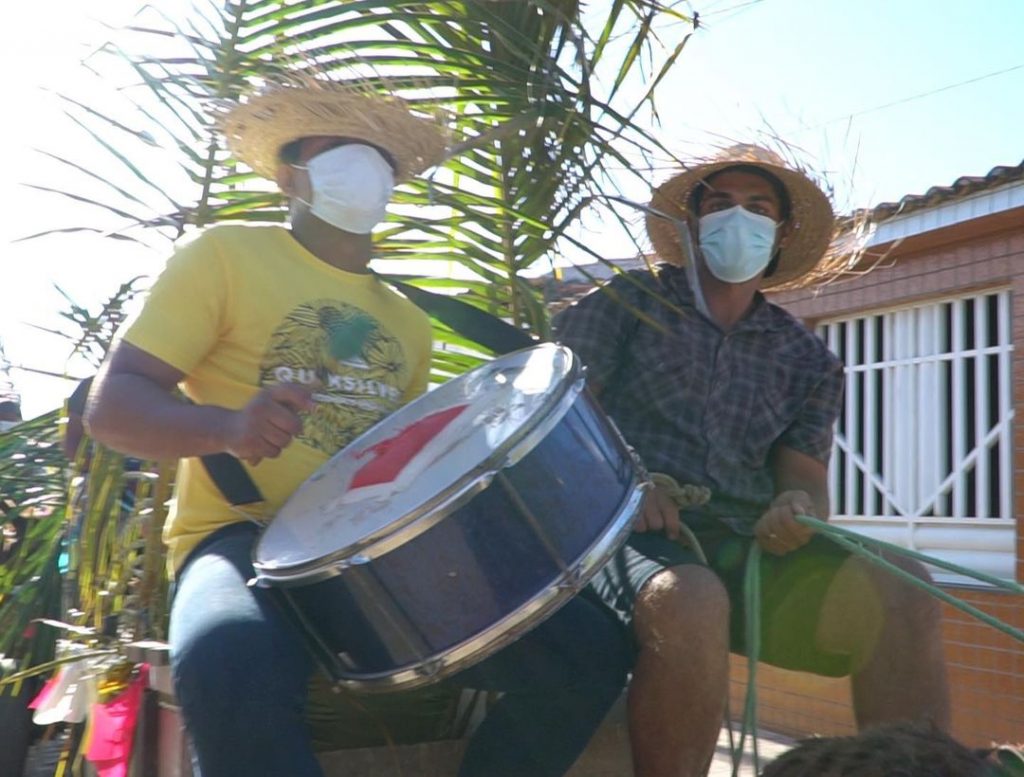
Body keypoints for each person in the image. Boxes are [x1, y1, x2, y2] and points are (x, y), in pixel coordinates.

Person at [85, 79, 628, 777]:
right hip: (241, 538)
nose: (362, 160)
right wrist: (228, 426)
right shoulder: (223, 255)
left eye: (377, 152)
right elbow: (112, 407)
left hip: (371, 557)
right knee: (229, 656)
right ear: (290, 175)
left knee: (589, 653)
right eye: (337, 144)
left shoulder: (406, 319)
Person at [553, 144, 950, 777]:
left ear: (781, 232)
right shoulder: (628, 301)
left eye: (758, 208)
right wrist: (628, 484)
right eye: (721, 204)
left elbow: (805, 483)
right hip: (618, 536)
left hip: (745, 549)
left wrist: (795, 508)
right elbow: (564, 415)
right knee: (690, 597)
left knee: (900, 580)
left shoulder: (807, 359)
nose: (738, 217)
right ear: (693, 223)